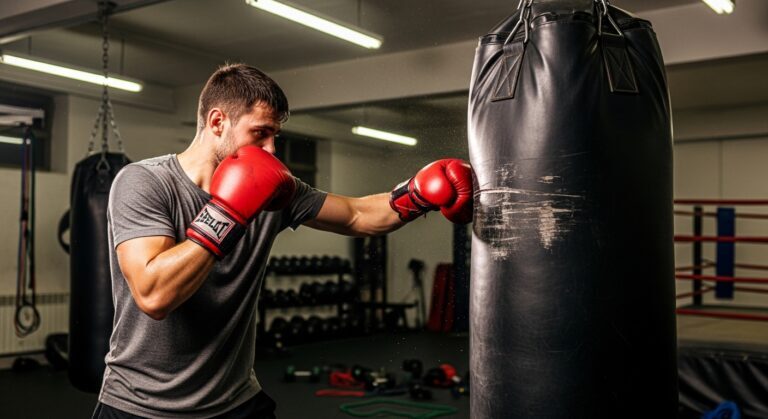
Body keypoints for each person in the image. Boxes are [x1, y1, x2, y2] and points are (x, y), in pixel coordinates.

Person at [92, 63, 473, 419]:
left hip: (235, 400)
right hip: (142, 406)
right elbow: (154, 295)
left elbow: (358, 215)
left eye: (276, 135)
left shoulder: (276, 189)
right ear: (217, 121)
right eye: (260, 133)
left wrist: (418, 194)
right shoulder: (144, 183)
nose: (273, 149)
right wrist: (229, 211)